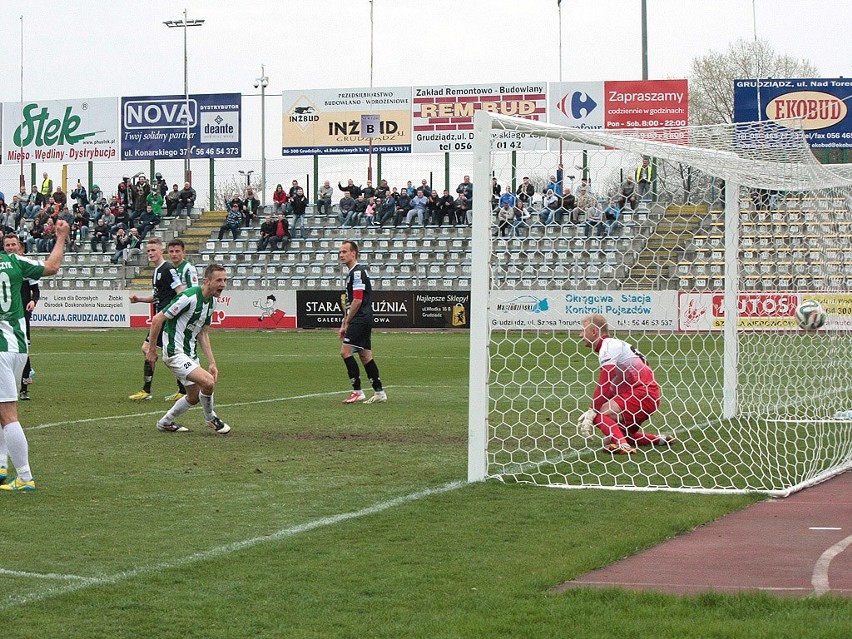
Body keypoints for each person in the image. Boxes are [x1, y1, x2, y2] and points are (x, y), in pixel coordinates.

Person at [0, 220, 69, 491]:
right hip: (18, 345)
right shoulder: (16, 262)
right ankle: (2, 465)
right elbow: (52, 267)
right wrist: (61, 237)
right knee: (2, 408)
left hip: (1, 349)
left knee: (8, 413)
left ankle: (25, 477)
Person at [147, 264, 231, 434]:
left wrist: (212, 363)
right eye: (219, 280)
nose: (223, 284)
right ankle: (210, 418)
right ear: (207, 281)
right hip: (174, 352)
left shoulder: (212, 301)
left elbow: (203, 333)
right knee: (208, 382)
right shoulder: (188, 297)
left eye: (225, 280)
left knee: (193, 396)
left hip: (189, 354)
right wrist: (151, 350)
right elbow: (157, 319)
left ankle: (165, 422)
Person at [577, 314, 674, 455]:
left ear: (594, 332)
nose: (580, 335)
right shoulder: (617, 345)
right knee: (616, 435)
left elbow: (605, 383)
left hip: (641, 394)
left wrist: (593, 410)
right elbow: (612, 387)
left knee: (599, 415)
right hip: (647, 395)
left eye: (583, 330)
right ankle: (659, 440)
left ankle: (623, 446)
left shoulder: (608, 347)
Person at [128, 238, 185, 401]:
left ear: (161, 251)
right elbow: (158, 296)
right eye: (148, 251)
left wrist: (174, 312)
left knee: (165, 353)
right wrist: (139, 299)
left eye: (153, 250)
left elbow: (180, 292)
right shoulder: (158, 270)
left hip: (165, 319)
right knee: (148, 349)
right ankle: (148, 390)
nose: (150, 253)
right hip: (160, 319)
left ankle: (179, 389)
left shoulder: (168, 269)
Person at [338, 240, 386, 405]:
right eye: (340, 252)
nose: (341, 255)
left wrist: (347, 323)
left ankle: (357, 391)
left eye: (345, 252)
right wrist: (345, 322)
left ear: (354, 253)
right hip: (363, 318)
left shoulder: (357, 273)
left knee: (345, 352)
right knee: (365, 356)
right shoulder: (353, 273)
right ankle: (379, 392)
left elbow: (357, 301)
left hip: (360, 318)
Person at [3, 234, 39, 402]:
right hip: (6, 316)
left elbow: (36, 290)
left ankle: (23, 387)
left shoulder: (25, 266)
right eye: (7, 245)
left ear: (19, 247)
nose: (11, 248)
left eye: (13, 245)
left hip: (23, 313)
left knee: (23, 349)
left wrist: (33, 300)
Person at [164, 239, 200, 402]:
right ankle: (185, 388)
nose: (174, 254)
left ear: (184, 252)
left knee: (182, 349)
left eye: (177, 251)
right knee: (176, 350)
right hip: (174, 314)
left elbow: (194, 290)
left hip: (184, 315)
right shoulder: (170, 269)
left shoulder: (188, 268)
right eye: (171, 251)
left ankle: (188, 388)